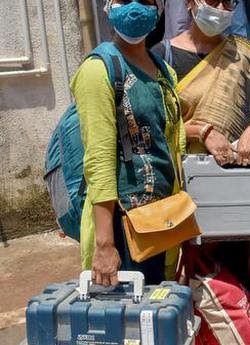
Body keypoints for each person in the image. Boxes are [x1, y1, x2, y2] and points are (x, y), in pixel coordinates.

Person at [151, 0, 250, 316]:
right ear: (189, 4)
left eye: (227, 1)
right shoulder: (161, 59)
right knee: (197, 280)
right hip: (188, 195)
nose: (220, 7)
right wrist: (201, 133)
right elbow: (155, 124)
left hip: (246, 194)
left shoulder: (247, 53)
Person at [75, 0, 185, 285]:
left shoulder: (163, 70)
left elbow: (168, 141)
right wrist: (104, 245)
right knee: (125, 321)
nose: (135, 7)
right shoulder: (99, 70)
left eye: (146, 0)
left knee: (157, 314)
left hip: (160, 220)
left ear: (159, 8)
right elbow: (99, 159)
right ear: (109, 6)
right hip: (121, 227)